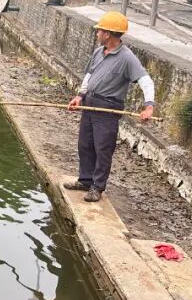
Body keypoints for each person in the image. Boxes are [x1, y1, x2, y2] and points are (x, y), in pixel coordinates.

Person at [63, 11, 155, 202]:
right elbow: (89, 75)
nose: (97, 34)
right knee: (85, 144)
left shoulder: (127, 58)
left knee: (103, 148)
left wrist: (149, 106)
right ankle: (85, 180)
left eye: (100, 31)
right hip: (89, 103)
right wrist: (80, 96)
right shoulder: (99, 52)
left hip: (107, 108)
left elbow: (146, 81)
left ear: (108, 34)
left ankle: (97, 187)